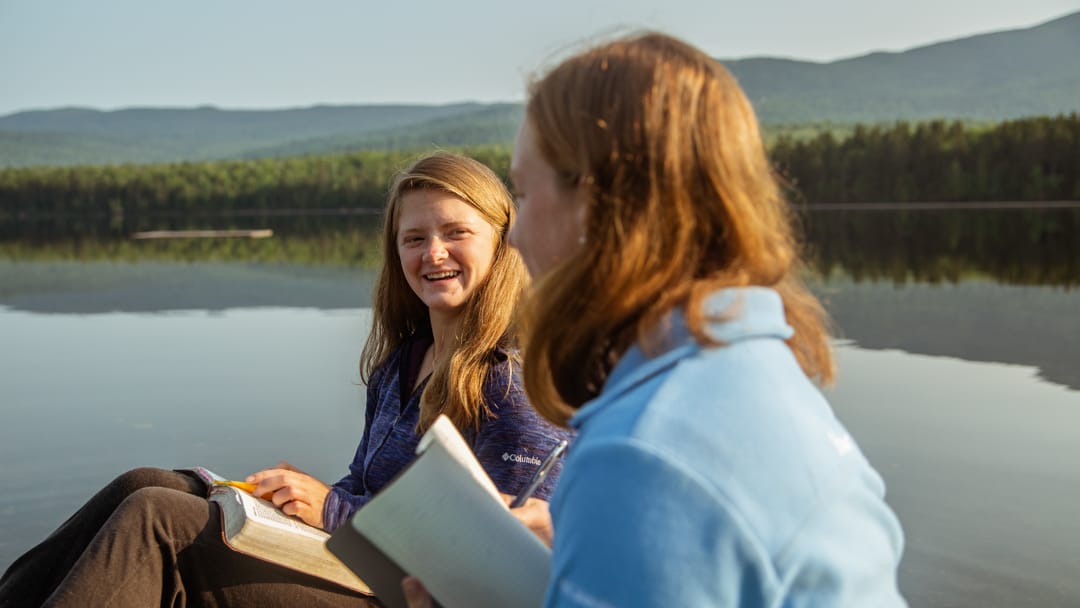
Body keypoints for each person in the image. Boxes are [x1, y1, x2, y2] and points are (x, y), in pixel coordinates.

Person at [404, 32, 907, 607]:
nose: (513, 235)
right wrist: (578, 539)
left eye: (523, 192)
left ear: (596, 206)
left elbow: (666, 495)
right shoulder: (753, 369)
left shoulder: (643, 458)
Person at [0, 151, 571, 608]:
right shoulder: (402, 363)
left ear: (502, 242)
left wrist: (328, 509)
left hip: (396, 596)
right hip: (351, 564)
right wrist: (303, 497)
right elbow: (366, 487)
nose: (433, 253)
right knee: (146, 483)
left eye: (456, 232)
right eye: (414, 238)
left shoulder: (512, 383)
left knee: (158, 520)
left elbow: (495, 568)